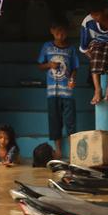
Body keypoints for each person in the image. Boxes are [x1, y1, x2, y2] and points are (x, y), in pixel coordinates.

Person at [37, 17, 78, 160]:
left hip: (67, 92)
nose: (61, 34)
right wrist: (49, 65)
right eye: (58, 31)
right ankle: (59, 151)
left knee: (70, 122)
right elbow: (40, 65)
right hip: (52, 93)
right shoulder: (47, 47)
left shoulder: (71, 49)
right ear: (52, 31)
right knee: (55, 121)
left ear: (67, 32)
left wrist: (72, 79)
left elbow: (74, 68)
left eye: (63, 32)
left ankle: (73, 152)